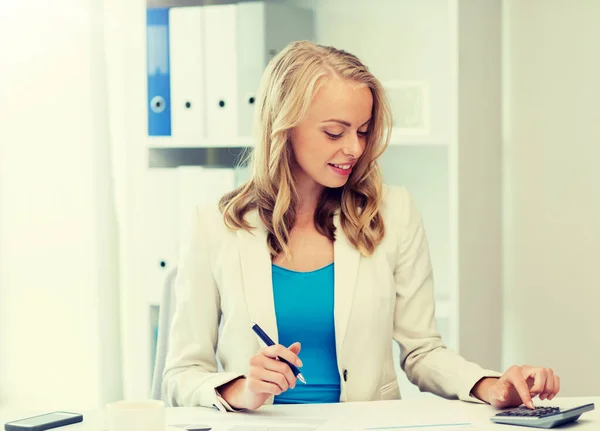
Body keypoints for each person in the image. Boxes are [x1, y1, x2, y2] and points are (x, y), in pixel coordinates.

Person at [162, 41, 560, 412]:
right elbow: (181, 376)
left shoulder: (394, 212)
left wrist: (491, 386)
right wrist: (244, 388)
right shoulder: (214, 225)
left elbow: (422, 352)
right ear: (283, 126)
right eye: (335, 131)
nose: (354, 148)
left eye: (364, 130)